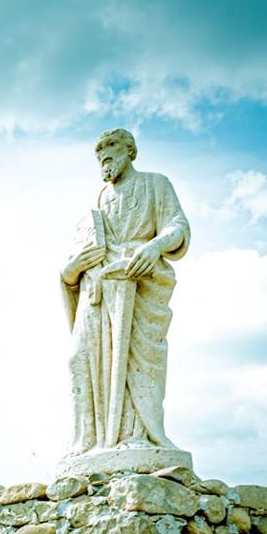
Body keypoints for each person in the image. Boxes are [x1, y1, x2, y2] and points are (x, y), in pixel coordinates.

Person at [61, 128, 190, 463]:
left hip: (138, 282)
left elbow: (177, 226)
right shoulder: (96, 202)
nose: (104, 155)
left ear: (130, 150)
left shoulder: (155, 184)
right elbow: (80, 250)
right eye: (99, 152)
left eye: (111, 147)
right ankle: (90, 439)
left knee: (136, 359)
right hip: (98, 290)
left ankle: (136, 434)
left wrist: (155, 245)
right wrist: (69, 271)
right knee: (79, 358)